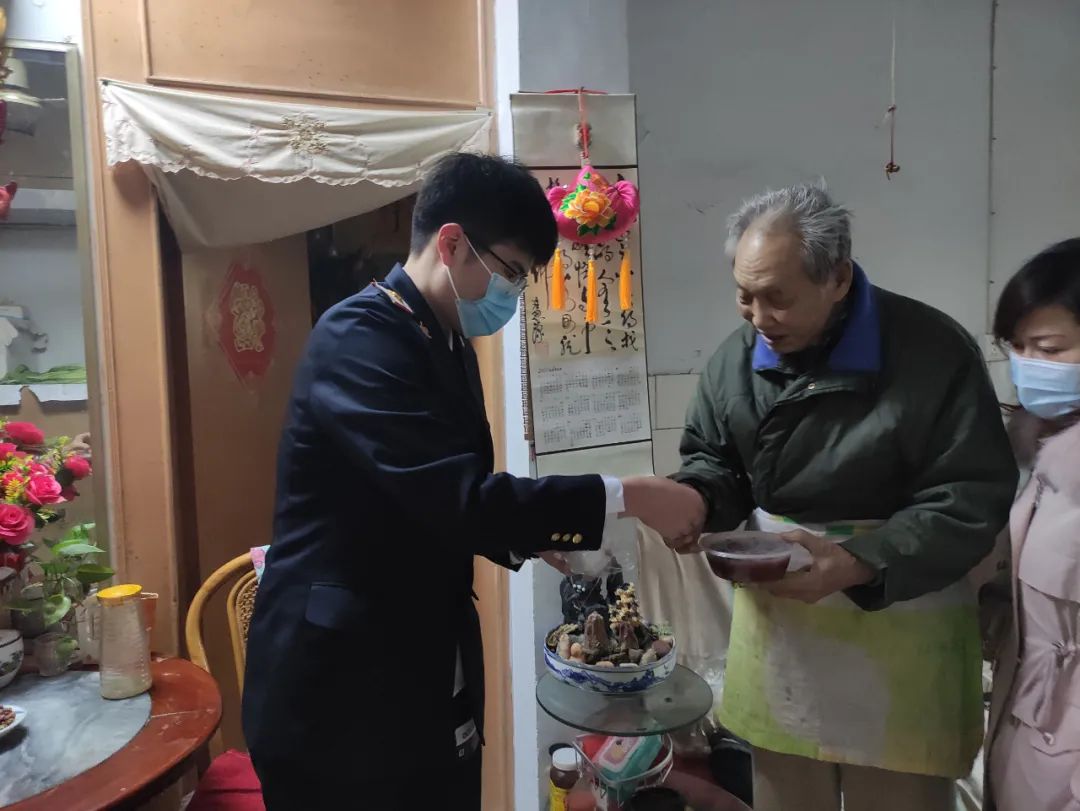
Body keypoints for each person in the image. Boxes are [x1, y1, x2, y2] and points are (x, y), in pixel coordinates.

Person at [241, 153, 688, 810]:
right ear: (451, 243)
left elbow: (448, 495)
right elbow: (458, 498)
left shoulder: (443, 341)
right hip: (340, 692)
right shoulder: (358, 340)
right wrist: (629, 495)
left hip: (420, 662)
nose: (513, 292)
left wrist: (534, 533)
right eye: (511, 271)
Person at [657, 182, 1017, 811]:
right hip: (782, 630)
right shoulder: (735, 360)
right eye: (744, 295)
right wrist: (694, 500)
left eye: (778, 298)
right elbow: (715, 461)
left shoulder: (933, 352)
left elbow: (969, 496)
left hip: (903, 624)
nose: (758, 317)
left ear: (839, 278)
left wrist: (857, 562)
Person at [982, 238, 1080, 811]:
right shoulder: (1045, 454)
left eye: (1048, 348)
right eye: (1016, 347)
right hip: (1030, 738)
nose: (1026, 365)